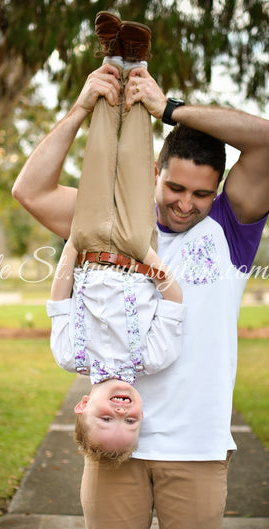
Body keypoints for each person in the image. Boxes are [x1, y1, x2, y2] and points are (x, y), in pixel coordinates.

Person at [12, 10, 269, 529]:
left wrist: (168, 108)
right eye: (175, 187)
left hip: (197, 444)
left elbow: (264, 138)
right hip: (116, 442)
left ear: (218, 190)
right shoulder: (112, 223)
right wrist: (84, 106)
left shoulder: (231, 229)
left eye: (201, 193)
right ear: (155, 172)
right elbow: (29, 190)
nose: (185, 205)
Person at [47, 16, 185, 465]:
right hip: (134, 249)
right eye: (132, 423)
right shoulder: (155, 358)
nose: (123, 415)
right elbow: (174, 298)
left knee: (101, 153)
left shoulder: (69, 356)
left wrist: (72, 246)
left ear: (83, 406)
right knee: (132, 156)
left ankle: (111, 57)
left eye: (109, 421)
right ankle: (137, 63)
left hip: (86, 247)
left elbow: (60, 299)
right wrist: (145, 254)